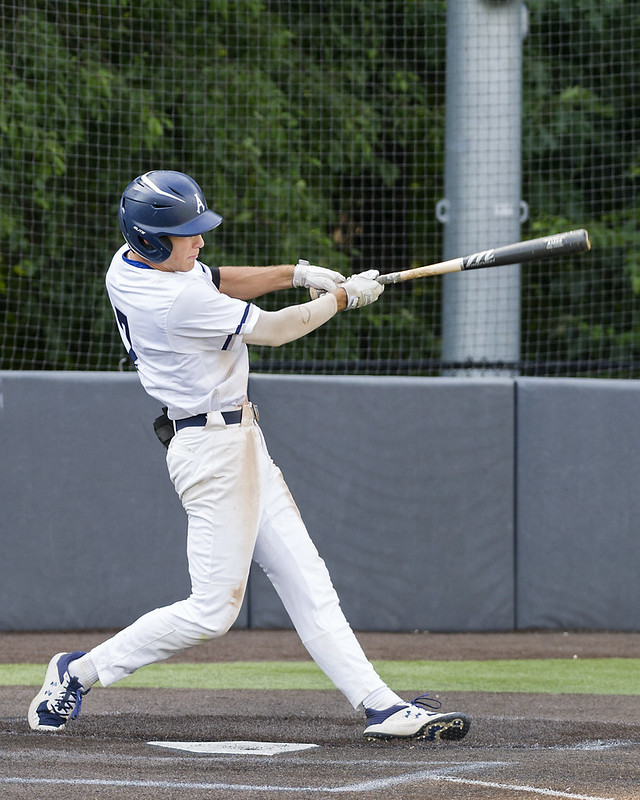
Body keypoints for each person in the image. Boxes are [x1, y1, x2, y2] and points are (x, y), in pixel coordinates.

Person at [28, 170, 470, 743]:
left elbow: (219, 278)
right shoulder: (175, 299)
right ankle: (78, 672)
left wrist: (295, 273)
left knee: (308, 580)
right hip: (210, 451)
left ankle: (380, 706)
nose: (200, 242)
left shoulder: (131, 262)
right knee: (212, 611)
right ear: (153, 240)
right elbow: (277, 331)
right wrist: (341, 298)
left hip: (239, 439)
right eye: (188, 234)